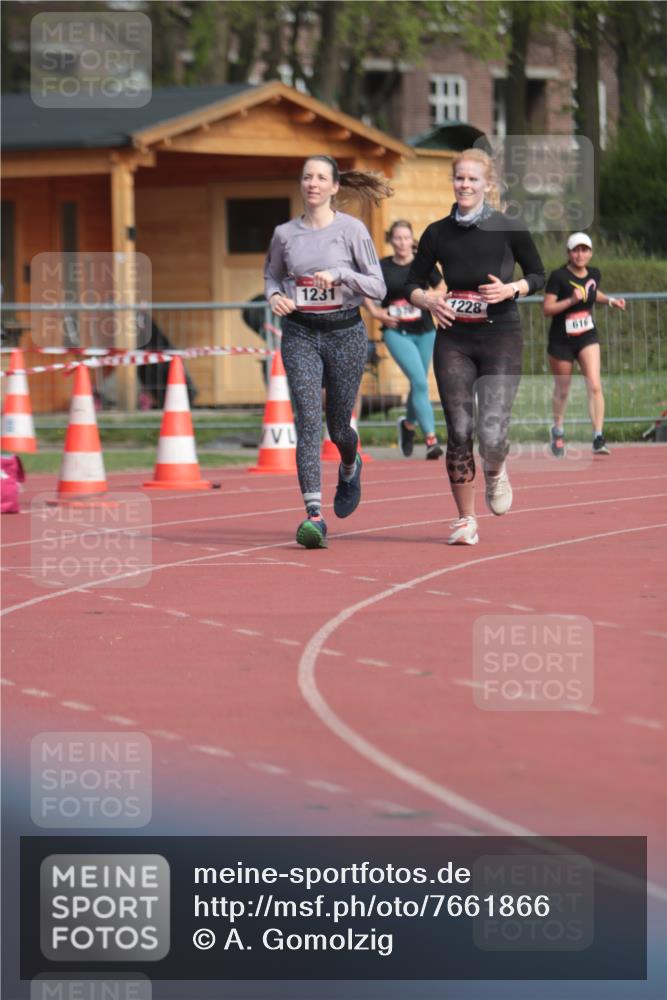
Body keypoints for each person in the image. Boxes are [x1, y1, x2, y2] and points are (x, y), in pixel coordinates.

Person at [404, 148, 545, 545]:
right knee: (461, 429)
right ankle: (465, 519)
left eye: (472, 179)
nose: (465, 185)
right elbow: (409, 283)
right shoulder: (436, 232)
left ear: (488, 185)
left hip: (501, 335)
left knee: (493, 431)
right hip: (453, 339)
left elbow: (538, 273)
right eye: (459, 178)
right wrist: (428, 300)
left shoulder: (508, 227)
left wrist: (512, 288)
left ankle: (496, 470)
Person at [264, 155, 392, 549]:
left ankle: (350, 466)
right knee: (306, 419)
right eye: (307, 177)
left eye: (321, 178)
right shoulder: (285, 234)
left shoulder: (352, 230)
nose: (313, 183)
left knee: (338, 427)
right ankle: (314, 515)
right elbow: (271, 275)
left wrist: (341, 275)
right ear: (301, 185)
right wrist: (274, 297)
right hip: (301, 333)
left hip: (345, 333)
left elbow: (378, 287)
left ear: (335, 187)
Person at [363, 220, 445, 460]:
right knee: (420, 381)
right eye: (397, 238)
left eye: (405, 238)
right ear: (391, 240)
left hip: (425, 330)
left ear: (412, 240)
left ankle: (408, 425)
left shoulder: (424, 263)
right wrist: (377, 313)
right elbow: (365, 292)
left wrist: (426, 296)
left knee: (417, 383)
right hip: (396, 331)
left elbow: (441, 287)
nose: (401, 243)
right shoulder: (382, 267)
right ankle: (431, 440)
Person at [543, 232, 625, 457]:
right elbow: (547, 309)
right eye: (576, 250)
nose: (580, 254)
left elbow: (591, 291)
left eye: (585, 250)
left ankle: (598, 437)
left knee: (595, 385)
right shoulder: (558, 277)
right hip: (561, 341)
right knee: (563, 389)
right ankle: (558, 431)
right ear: (569, 253)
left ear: (590, 252)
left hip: (587, 336)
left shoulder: (595, 273)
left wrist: (610, 301)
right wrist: (571, 300)